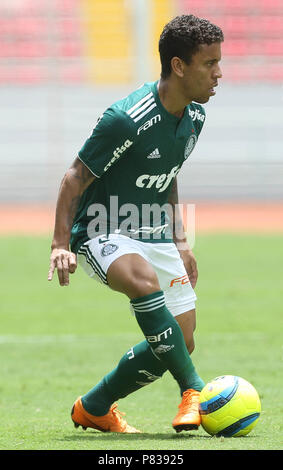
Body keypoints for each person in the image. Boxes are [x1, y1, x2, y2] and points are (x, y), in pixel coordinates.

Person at [48, 14, 223, 434]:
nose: (218, 74)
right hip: (100, 229)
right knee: (143, 281)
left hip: (155, 230)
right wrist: (59, 243)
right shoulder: (126, 119)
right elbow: (74, 176)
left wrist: (180, 240)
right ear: (179, 66)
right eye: (209, 63)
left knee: (182, 339)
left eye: (220, 63)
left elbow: (168, 173)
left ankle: (93, 406)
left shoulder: (194, 117)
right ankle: (193, 389)